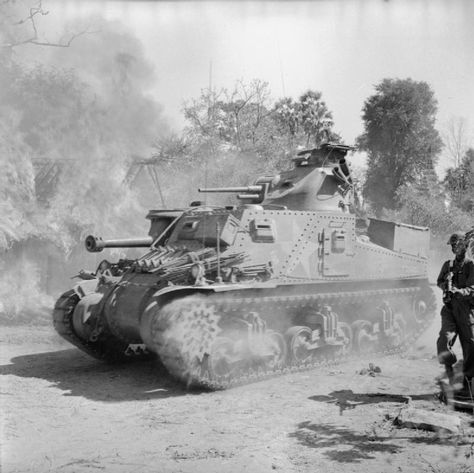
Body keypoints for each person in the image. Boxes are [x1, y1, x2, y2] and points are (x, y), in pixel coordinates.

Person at [437, 232, 474, 398]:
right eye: (452, 246)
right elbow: (439, 281)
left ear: (465, 246)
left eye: (457, 245)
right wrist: (445, 284)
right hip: (450, 310)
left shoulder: (470, 265)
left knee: (471, 345)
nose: (454, 248)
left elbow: (473, 289)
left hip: (466, 310)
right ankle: (450, 374)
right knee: (443, 340)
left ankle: (467, 382)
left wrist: (460, 292)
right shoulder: (448, 265)